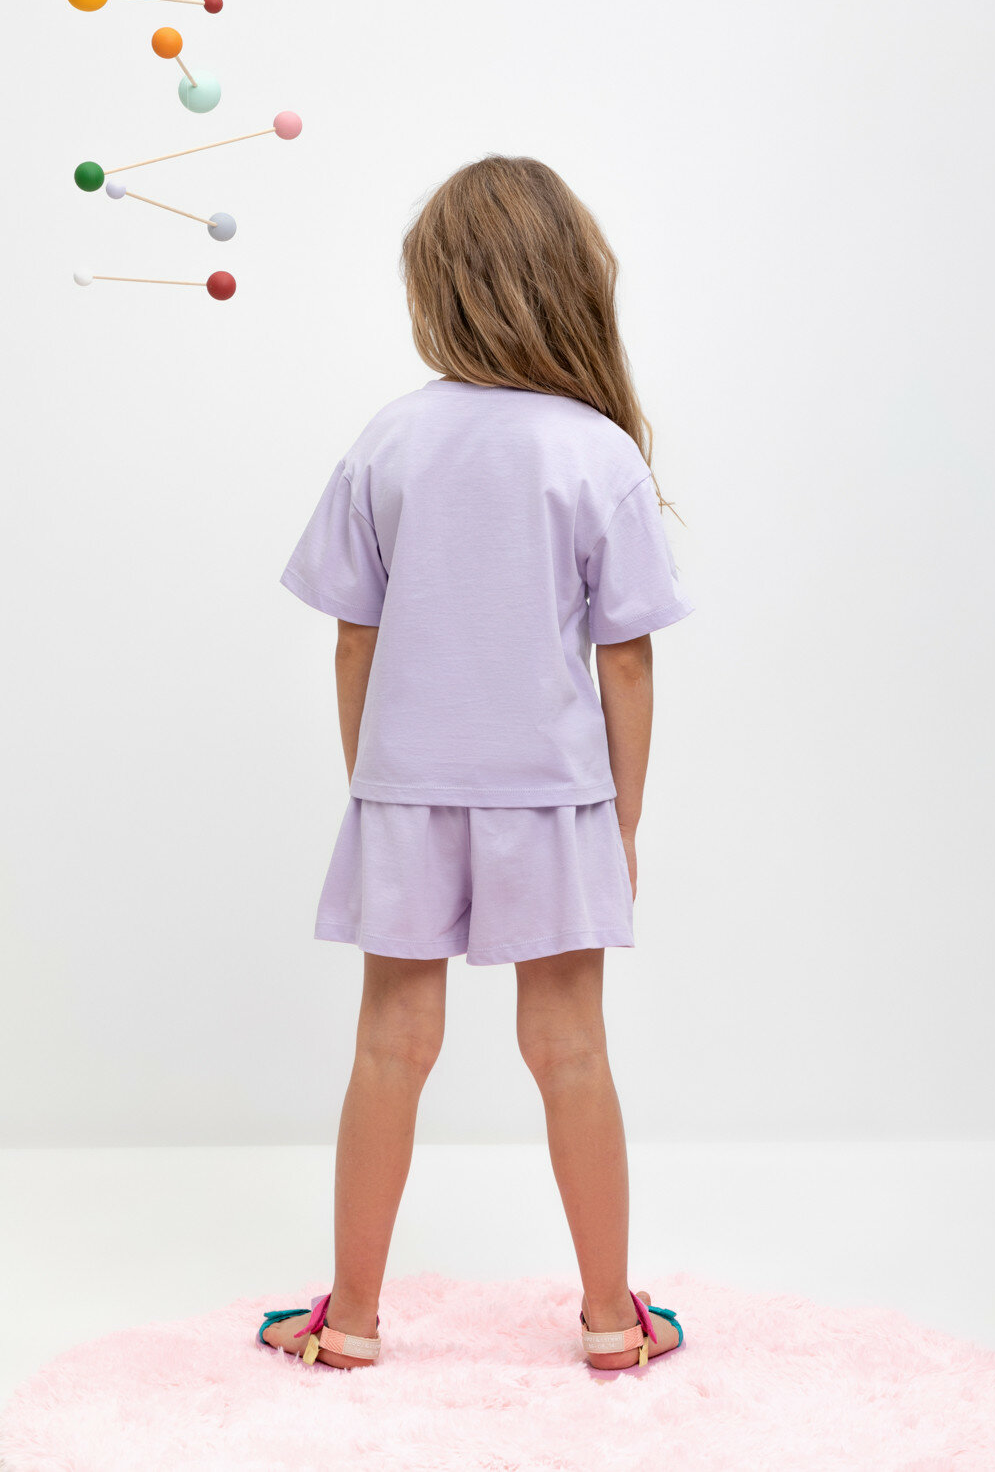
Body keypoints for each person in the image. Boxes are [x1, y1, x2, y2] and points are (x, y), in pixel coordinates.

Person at [258, 155, 694, 1372]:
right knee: (571, 1050)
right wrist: (622, 824)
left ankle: (351, 1322)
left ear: (435, 290)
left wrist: (376, 783)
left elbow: (353, 639)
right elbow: (626, 664)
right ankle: (611, 1322)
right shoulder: (595, 453)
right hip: (553, 798)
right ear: (571, 282)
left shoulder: (390, 440)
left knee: (389, 1047)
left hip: (405, 791)